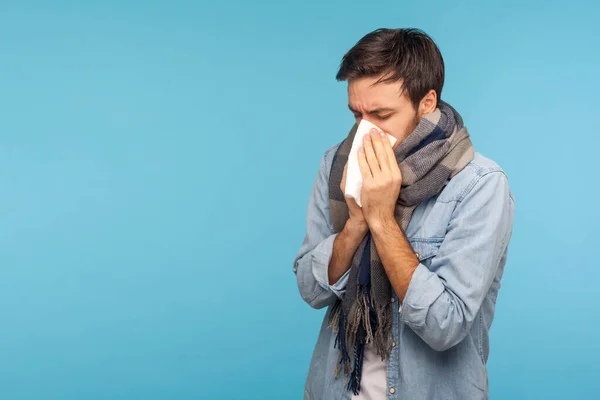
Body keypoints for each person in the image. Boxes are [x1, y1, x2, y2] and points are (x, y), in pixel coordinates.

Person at [292, 28, 515, 400]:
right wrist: (356, 224)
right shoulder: (337, 164)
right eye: (357, 114)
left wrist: (380, 220)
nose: (365, 130)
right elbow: (310, 289)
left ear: (426, 102)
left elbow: (446, 324)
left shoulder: (479, 185)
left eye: (381, 115)